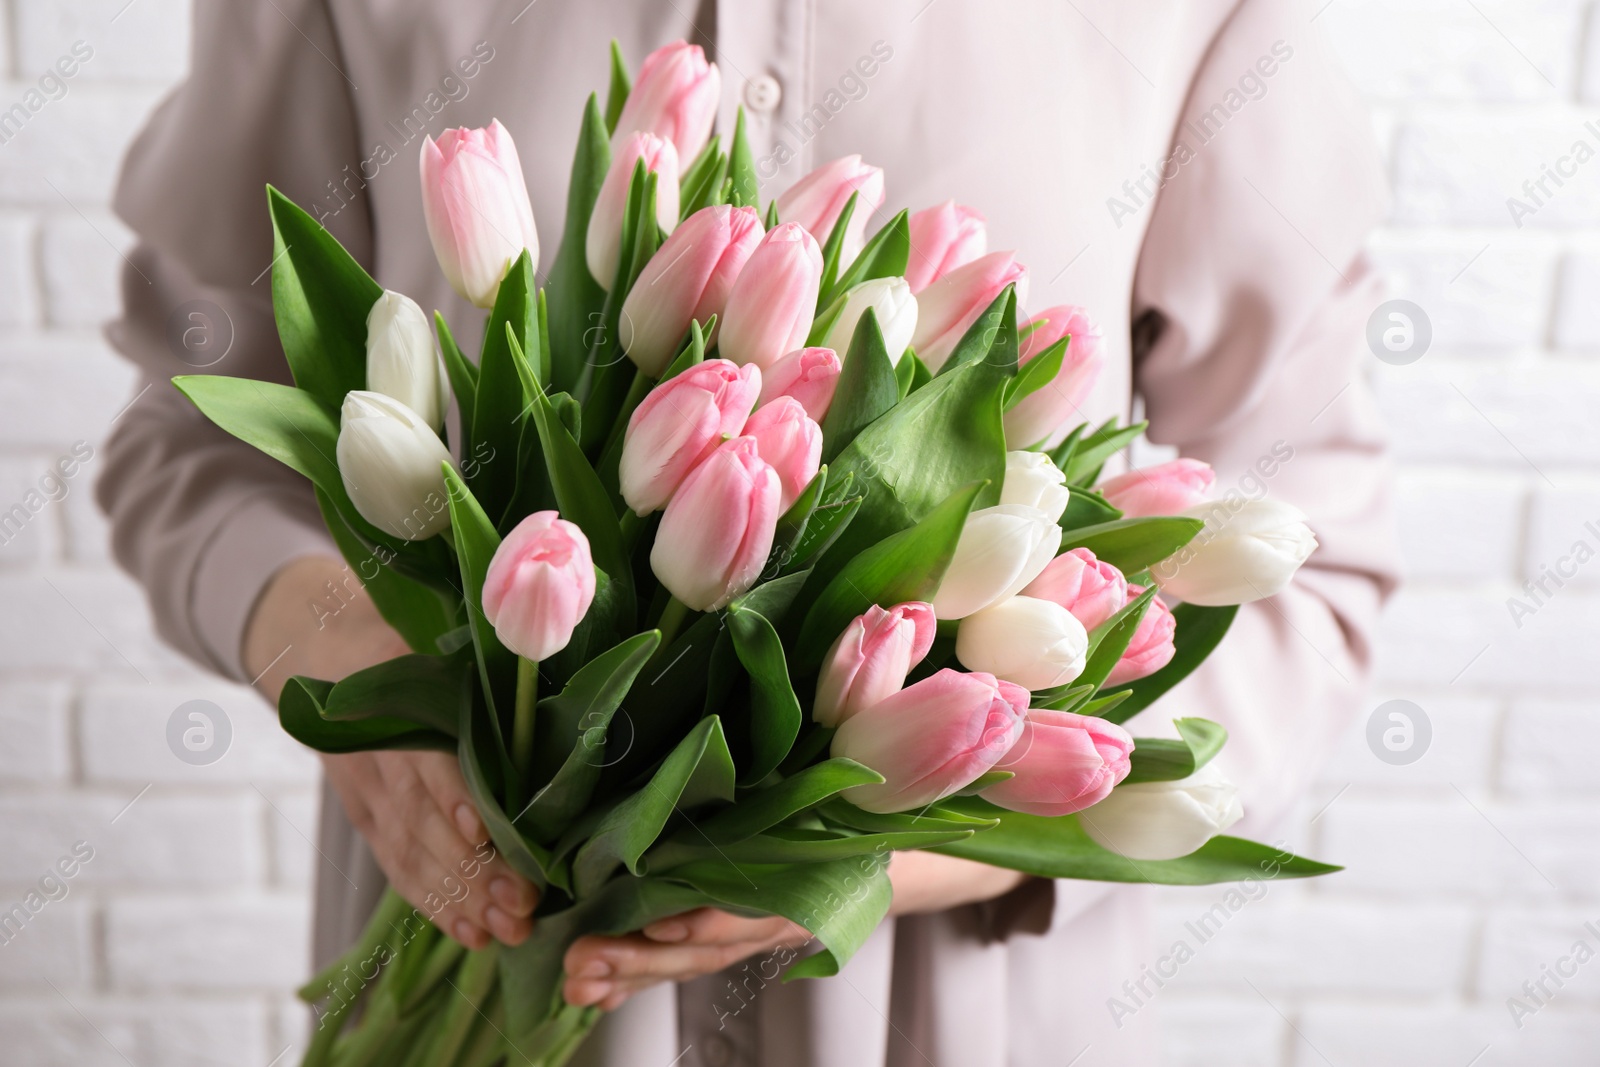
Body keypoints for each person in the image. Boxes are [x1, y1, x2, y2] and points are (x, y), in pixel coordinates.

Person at [96, 2, 1397, 1064]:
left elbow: (1308, 556)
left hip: (954, 1019)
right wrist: (336, 653)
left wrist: (919, 832)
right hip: (465, 930)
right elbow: (194, 428)